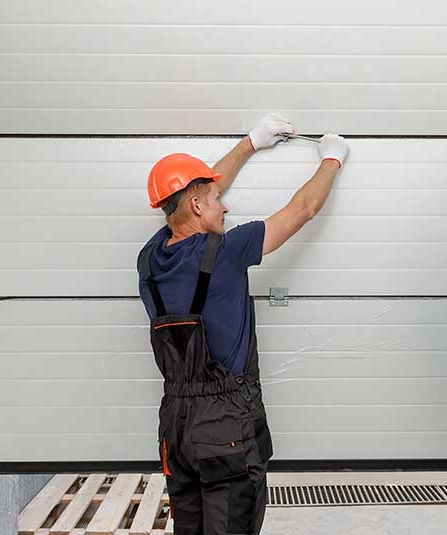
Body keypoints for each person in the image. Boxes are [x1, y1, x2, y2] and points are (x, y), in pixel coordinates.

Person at [137, 113, 348, 535]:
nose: (225, 204)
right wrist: (332, 159)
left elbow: (194, 197)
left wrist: (250, 143)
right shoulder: (228, 252)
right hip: (225, 423)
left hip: (176, 424)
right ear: (197, 206)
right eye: (215, 201)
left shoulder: (151, 257)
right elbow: (303, 209)